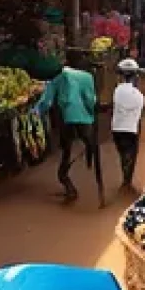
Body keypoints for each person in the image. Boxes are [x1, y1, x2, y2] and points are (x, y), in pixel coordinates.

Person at [37, 58, 104, 207]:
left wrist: (36, 114)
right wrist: (91, 114)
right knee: (92, 148)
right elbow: (90, 100)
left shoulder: (57, 78)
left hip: (66, 120)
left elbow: (46, 102)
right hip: (84, 119)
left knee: (66, 152)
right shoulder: (87, 77)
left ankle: (69, 186)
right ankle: (100, 190)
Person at [112, 59, 145, 192]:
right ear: (135, 77)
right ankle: (127, 183)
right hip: (131, 130)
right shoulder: (139, 96)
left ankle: (125, 181)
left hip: (116, 129)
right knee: (131, 155)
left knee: (123, 155)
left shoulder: (117, 91)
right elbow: (138, 115)